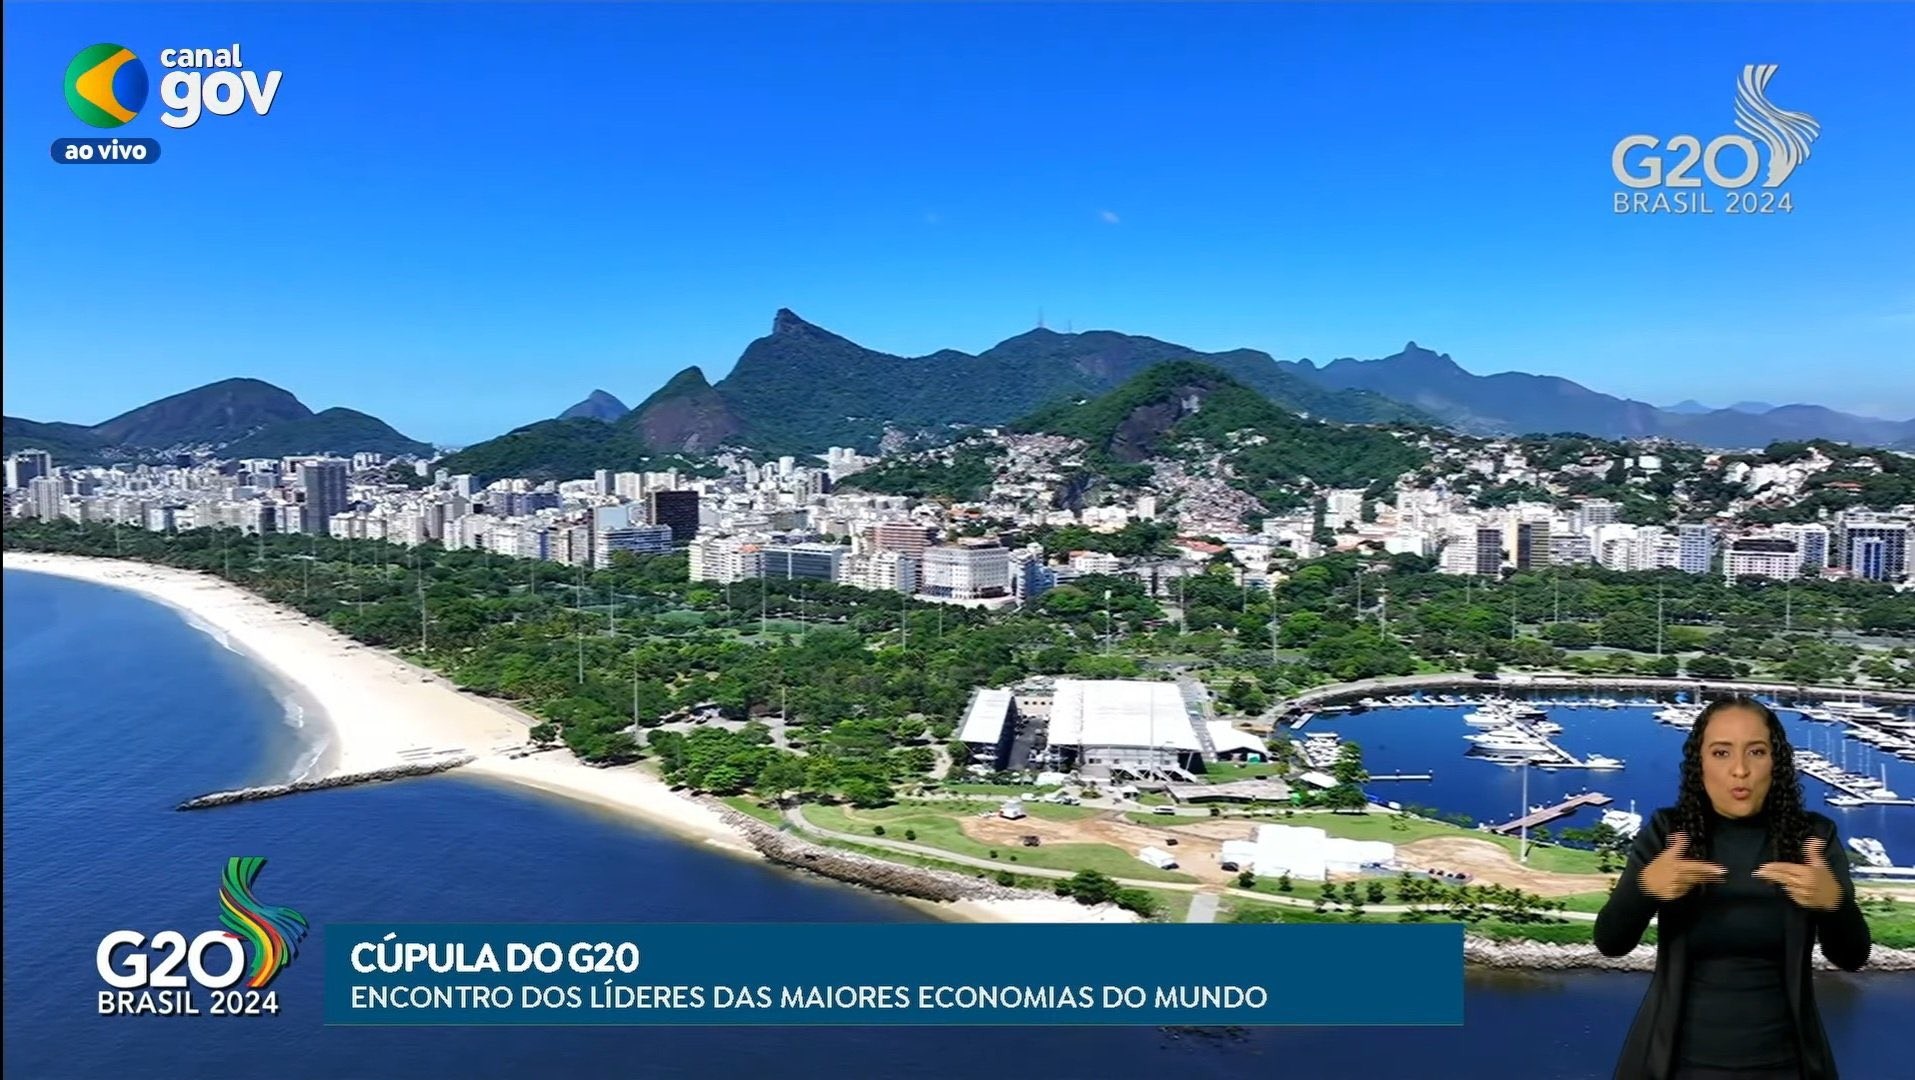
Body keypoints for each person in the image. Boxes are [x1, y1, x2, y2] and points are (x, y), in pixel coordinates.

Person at [1596, 696, 1872, 1080]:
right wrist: (1645, 887)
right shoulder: (1668, 832)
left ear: (1776, 763)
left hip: (1788, 1067)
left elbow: (1852, 958)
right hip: (1673, 1066)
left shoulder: (1814, 838)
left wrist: (1835, 904)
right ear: (1700, 764)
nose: (1740, 770)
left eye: (1756, 752)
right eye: (1721, 753)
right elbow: (1611, 942)